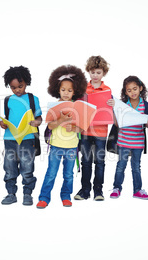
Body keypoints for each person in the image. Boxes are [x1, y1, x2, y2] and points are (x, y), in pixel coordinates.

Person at [36, 65, 87, 209]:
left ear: (75, 91)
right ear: (57, 90)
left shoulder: (78, 107)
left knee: (69, 175)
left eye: (69, 90)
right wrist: (61, 120)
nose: (66, 93)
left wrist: (74, 128)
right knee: (51, 173)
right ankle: (44, 198)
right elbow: (50, 126)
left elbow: (82, 127)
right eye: (63, 90)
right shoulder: (54, 106)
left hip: (71, 146)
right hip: (56, 145)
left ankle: (66, 196)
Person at [0, 66, 42, 206]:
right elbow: (6, 118)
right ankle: (11, 194)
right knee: (9, 167)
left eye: (20, 86)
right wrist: (3, 124)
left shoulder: (32, 98)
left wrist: (36, 122)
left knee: (27, 167)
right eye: (13, 87)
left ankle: (27, 194)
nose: (17, 90)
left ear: (26, 82)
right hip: (10, 139)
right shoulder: (7, 100)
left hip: (28, 139)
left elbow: (39, 119)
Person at [74, 55, 115, 201]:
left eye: (98, 72)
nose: (95, 75)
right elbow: (77, 108)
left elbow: (111, 112)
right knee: (86, 161)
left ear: (103, 73)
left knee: (100, 162)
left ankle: (98, 190)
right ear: (88, 72)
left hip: (101, 132)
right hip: (85, 130)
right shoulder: (83, 88)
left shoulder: (107, 90)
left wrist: (112, 104)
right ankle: (85, 190)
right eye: (92, 72)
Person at [110, 76, 148, 200]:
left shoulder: (145, 105)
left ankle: (137, 190)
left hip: (138, 142)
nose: (132, 92)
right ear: (125, 92)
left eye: (135, 89)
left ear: (140, 88)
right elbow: (117, 124)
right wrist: (112, 110)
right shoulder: (122, 105)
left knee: (136, 167)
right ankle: (116, 188)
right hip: (123, 141)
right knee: (121, 165)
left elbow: (146, 123)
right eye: (129, 90)